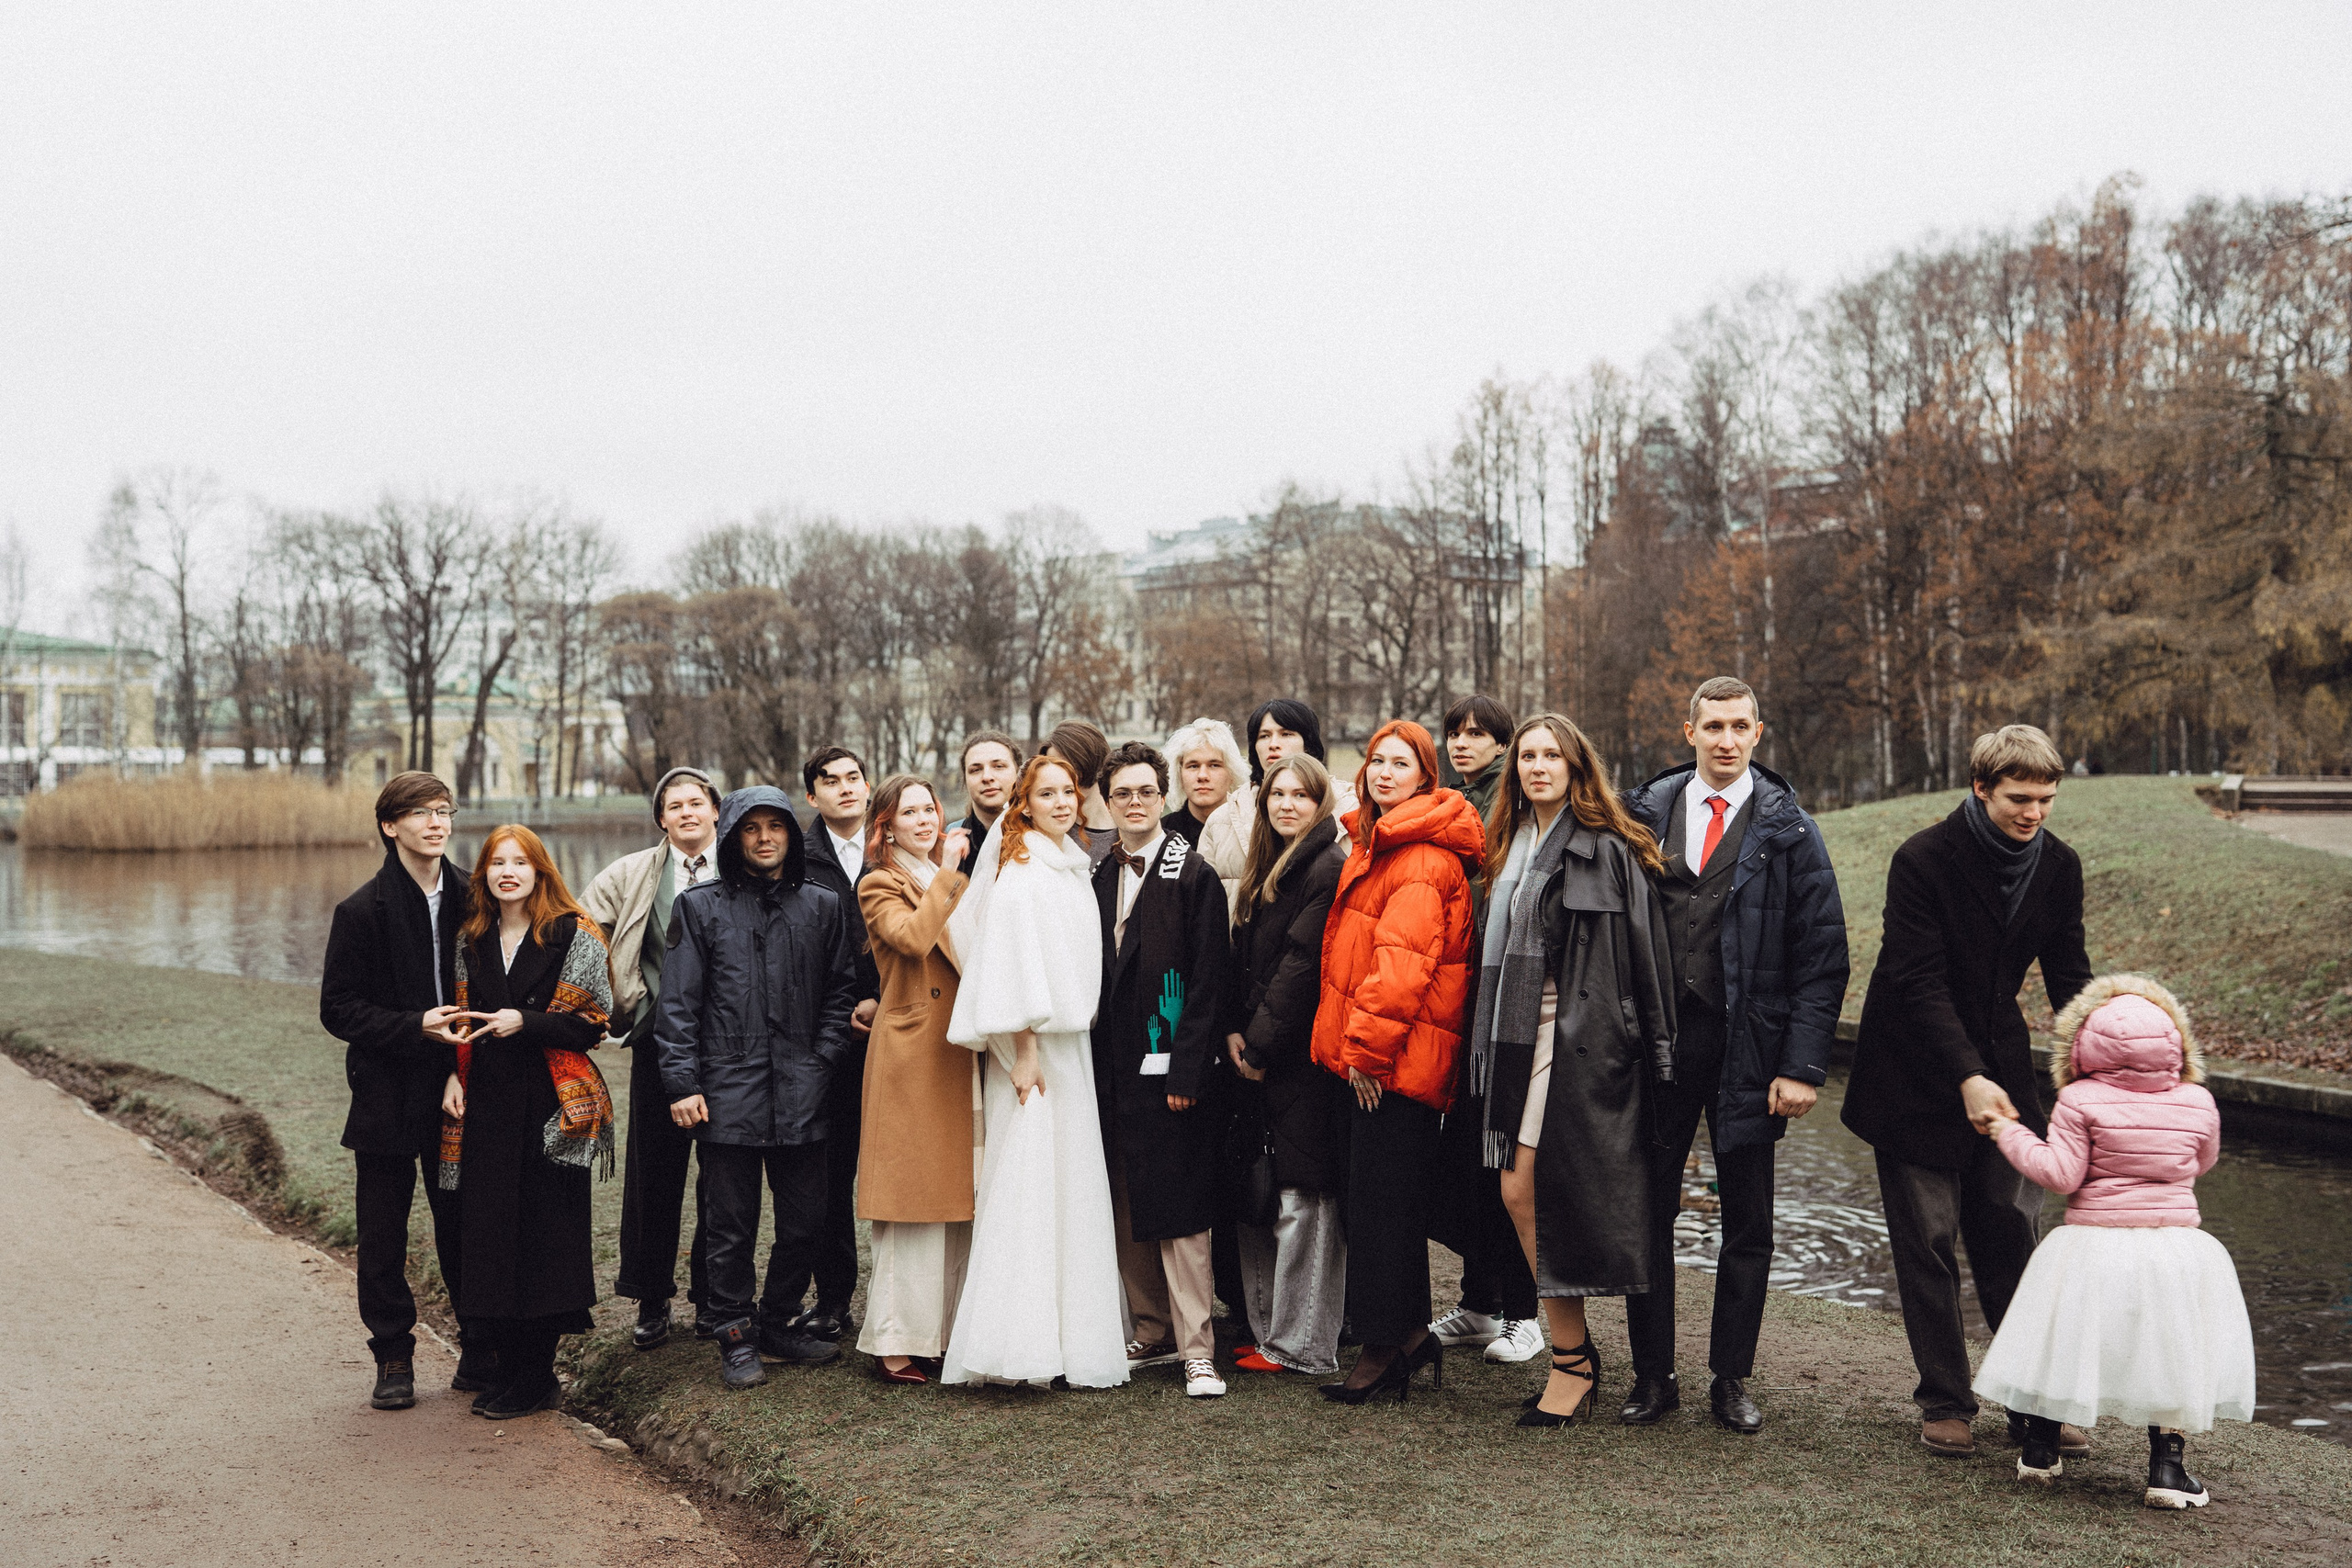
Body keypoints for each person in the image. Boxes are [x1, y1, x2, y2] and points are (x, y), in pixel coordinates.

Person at [1842, 724, 2095, 1458]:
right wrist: (1966, 1074)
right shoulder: (1921, 858)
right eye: (2020, 797)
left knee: (2012, 1230)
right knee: (1929, 1239)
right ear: (1981, 787)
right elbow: (1916, 982)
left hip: (2005, 1068)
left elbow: (2071, 978)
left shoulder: (2059, 866)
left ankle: (2031, 1402)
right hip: (1912, 1070)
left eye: (2047, 798)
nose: (2034, 813)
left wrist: (2105, 1061)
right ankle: (1947, 1397)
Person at [1620, 676, 1849, 1433]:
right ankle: (1653, 1375)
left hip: (1751, 1051)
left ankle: (1730, 1378)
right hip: (1659, 1048)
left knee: (1747, 1220)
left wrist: (1802, 1065)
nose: (1725, 738)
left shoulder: (1792, 831)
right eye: (1712, 725)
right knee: (1648, 1207)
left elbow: (1822, 960)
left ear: (1760, 732)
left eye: (1739, 726)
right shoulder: (1641, 817)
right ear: (1688, 732)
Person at [1972, 975, 2253, 1507]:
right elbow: (2203, 1162)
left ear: (2083, 1044)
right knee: (2171, 1350)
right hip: (2173, 1246)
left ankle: (2039, 1449)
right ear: (2177, 1043)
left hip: (2093, 1242)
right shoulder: (2198, 1100)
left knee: (2065, 1338)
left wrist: (2008, 1132)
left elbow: (2060, 1175)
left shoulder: (2078, 1099)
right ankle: (2167, 1472)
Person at [1467, 716, 1677, 1427]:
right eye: (1526, 755)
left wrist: (1650, 1052)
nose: (1537, 765)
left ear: (1577, 764)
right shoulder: (1512, 842)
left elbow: (1641, 958)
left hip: (1574, 1034)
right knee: (1517, 1187)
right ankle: (1574, 1355)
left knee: (1525, 1188)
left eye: (1551, 754)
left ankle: (1572, 1361)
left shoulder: (1606, 848)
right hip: (1516, 1033)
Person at [655, 785, 861, 1389]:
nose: (765, 837)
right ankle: (735, 1332)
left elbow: (839, 993)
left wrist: (821, 1060)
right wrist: (683, 1083)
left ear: (792, 837)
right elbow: (678, 1005)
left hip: (803, 1089)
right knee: (730, 1223)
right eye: (752, 827)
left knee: (805, 1220)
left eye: (777, 826)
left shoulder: (822, 906)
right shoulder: (700, 907)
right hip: (726, 1092)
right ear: (734, 836)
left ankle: (776, 1320)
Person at [938, 754, 1129, 1388]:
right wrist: (1024, 1050)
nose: (1061, 802)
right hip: (1037, 1047)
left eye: (1068, 792)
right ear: (1023, 805)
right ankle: (1019, 1345)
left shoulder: (1066, 862)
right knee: (1031, 1182)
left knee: (1069, 1186)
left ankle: (1072, 1337)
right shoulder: (1021, 870)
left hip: (1070, 1045)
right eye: (1046, 794)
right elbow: (1013, 962)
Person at [1311, 719, 1484, 1404]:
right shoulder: (1376, 844)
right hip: (1379, 1060)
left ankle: (1382, 1351)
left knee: (1381, 1209)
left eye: (1400, 763)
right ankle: (1412, 1336)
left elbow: (1400, 970)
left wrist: (1366, 1058)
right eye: (1376, 760)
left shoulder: (1420, 856)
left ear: (1425, 776)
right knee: (1379, 1203)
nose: (1383, 772)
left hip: (1392, 1066)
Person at [435, 826, 616, 1418]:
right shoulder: (473, 939)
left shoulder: (574, 932)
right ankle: (509, 1370)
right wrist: (456, 1074)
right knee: (490, 1237)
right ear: (483, 873)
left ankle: (537, 1377)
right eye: (496, 862)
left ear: (541, 870)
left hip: (550, 1106)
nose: (507, 871)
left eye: (520, 862)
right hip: (486, 1103)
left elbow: (594, 1024)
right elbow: (462, 1022)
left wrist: (527, 1022)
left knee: (546, 1239)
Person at [320, 772, 479, 1411]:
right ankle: (393, 1354)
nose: (437, 823)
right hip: (386, 1093)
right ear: (391, 826)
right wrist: (414, 1025)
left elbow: (490, 992)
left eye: (445, 811)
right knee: (382, 1232)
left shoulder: (477, 896)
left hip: (458, 1091)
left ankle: (480, 1343)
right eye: (421, 812)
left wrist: (457, 1067)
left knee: (463, 1225)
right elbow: (339, 1009)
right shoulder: (361, 911)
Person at [1091, 740, 1233, 1398]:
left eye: (1148, 790)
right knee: (1125, 1198)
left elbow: (1209, 982)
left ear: (1164, 793)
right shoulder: (1095, 873)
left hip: (1172, 1066)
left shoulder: (1192, 873)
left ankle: (1197, 1346)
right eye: (1124, 793)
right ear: (1108, 800)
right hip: (1111, 1068)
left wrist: (1186, 1072)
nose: (1137, 802)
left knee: (1181, 1208)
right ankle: (1152, 1326)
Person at [1219, 753, 1351, 1378]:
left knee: (1307, 1197)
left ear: (1320, 802)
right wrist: (1237, 1034)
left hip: (1299, 1058)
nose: (1288, 803)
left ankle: (1305, 1343)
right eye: (1278, 793)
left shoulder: (1326, 865)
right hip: (1261, 1051)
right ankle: (1275, 1332)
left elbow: (1301, 966)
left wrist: (1260, 1044)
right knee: (1267, 1194)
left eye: (1302, 794)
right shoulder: (1269, 863)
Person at [581, 766, 718, 1351]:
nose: (687, 812)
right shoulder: (634, 872)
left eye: (697, 802)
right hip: (658, 1042)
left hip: (729, 1048)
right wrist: (612, 998)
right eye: (674, 805)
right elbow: (579, 927)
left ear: (716, 809)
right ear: (661, 818)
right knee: (654, 1175)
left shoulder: (738, 866)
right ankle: (651, 1297)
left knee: (725, 1180)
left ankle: (715, 1298)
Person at [1426, 693, 1544, 1369]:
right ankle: (1481, 1301)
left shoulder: (1503, 808)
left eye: (1478, 734)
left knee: (1507, 1164)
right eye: (1455, 733)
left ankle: (1524, 1311)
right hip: (1465, 1005)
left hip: (1506, 1004)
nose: (1463, 743)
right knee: (1470, 1164)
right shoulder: (1457, 799)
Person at [854, 774, 978, 1383]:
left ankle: (944, 1331)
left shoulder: (943, 876)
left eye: (930, 807)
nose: (926, 819)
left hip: (959, 1049)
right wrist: (952, 869)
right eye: (910, 811)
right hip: (912, 1055)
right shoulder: (881, 882)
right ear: (887, 825)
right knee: (911, 1205)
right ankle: (895, 1339)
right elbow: (911, 937)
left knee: (954, 1203)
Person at [774, 748, 883, 1344]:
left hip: (898, 1030)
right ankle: (834, 1297)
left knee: (897, 1169)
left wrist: (882, 1001)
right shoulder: (798, 858)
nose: (845, 789)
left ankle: (909, 1300)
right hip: (827, 1038)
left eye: (853, 778)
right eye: (830, 781)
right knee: (829, 1174)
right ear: (812, 795)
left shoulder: (892, 846)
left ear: (868, 786)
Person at [1160, 716, 1252, 905]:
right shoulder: (1161, 833)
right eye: (1193, 766)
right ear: (1179, 773)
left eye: (1214, 765)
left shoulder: (1251, 830)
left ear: (1232, 772)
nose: (1203, 776)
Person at [1243, 697, 1357, 823]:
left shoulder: (1351, 805)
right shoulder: (1232, 811)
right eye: (1264, 736)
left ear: (1308, 744)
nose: (1273, 744)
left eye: (1286, 734)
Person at [1042, 719, 1118, 868]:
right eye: (1055, 767)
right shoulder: (1048, 829)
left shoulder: (1127, 827)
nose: (1061, 775)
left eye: (1068, 765)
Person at [957, 729, 1023, 846]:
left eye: (998, 766)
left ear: (1018, 773)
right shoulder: (945, 843)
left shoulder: (1045, 836)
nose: (987, 777)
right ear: (965, 780)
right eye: (976, 770)